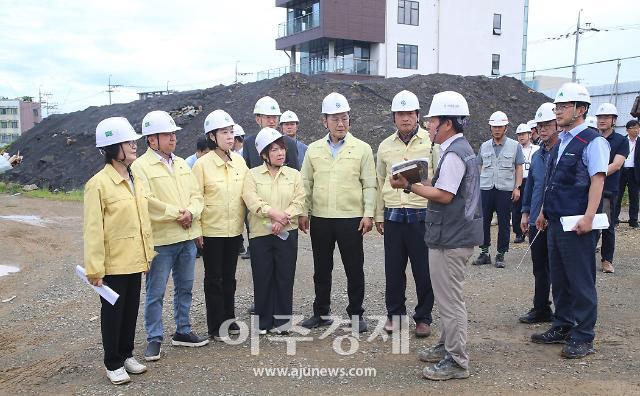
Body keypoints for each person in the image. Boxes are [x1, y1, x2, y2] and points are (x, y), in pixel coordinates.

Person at [391, 91, 482, 380]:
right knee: (446, 299)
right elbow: (444, 186)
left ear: (447, 123)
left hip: (452, 237)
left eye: (432, 121)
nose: (428, 125)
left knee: (451, 301)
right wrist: (418, 180)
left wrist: (409, 186)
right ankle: (447, 346)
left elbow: (443, 195)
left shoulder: (455, 153)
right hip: (453, 234)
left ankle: (456, 361)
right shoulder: (458, 149)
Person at [532, 82, 610, 359]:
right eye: (557, 107)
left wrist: (589, 217)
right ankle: (563, 324)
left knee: (580, 279)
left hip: (578, 223)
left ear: (581, 109)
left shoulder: (594, 141)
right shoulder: (561, 141)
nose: (558, 112)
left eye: (563, 107)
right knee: (560, 277)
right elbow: (553, 181)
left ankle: (584, 334)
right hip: (555, 221)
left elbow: (597, 180)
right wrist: (543, 211)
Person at [130, 110, 209, 363]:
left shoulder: (183, 164)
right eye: (167, 134)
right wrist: (178, 213)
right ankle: (154, 338)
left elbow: (197, 196)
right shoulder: (140, 167)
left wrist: (191, 213)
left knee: (185, 288)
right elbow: (146, 201)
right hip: (161, 241)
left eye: (174, 133)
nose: (173, 137)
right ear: (151, 139)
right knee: (156, 292)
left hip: (186, 237)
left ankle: (183, 331)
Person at [83, 117, 155, 385]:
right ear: (113, 148)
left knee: (130, 311)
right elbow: (93, 230)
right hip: (113, 263)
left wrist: (147, 254)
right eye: (128, 142)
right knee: (113, 313)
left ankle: (126, 355)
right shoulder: (98, 184)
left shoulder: (135, 178)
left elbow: (142, 219)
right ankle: (112, 362)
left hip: (135, 258)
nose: (134, 145)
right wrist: (95, 268)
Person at [299, 92, 377, 333]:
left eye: (344, 118)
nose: (340, 123)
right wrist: (303, 211)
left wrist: (369, 213)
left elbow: (370, 184)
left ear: (349, 120)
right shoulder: (313, 150)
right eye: (335, 119)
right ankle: (321, 312)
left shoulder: (362, 149)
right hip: (321, 219)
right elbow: (305, 183)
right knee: (322, 268)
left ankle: (356, 314)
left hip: (351, 219)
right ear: (325, 121)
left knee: (354, 267)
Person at [374, 90, 437, 338]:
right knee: (394, 270)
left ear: (418, 115)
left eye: (410, 113)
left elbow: (440, 179)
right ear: (394, 117)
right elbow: (379, 181)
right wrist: (379, 215)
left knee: (423, 270)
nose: (405, 118)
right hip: (393, 217)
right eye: (400, 114)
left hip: (421, 215)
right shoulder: (384, 146)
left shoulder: (431, 143)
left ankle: (423, 318)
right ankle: (395, 315)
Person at [192, 109, 249, 341]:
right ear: (212, 136)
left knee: (230, 277)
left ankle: (229, 318)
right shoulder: (202, 165)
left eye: (232, 132)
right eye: (224, 132)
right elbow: (195, 198)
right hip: (211, 232)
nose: (230, 136)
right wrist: (197, 229)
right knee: (213, 278)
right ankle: (215, 325)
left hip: (233, 230)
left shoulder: (240, 162)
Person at [242, 127, 305, 334]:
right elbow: (251, 200)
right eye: (274, 150)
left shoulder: (294, 175)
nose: (280, 153)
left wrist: (283, 217)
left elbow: (299, 200)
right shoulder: (251, 175)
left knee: (285, 276)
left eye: (282, 149)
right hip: (261, 233)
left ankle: (283, 322)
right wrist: (273, 214)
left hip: (287, 232)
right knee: (263, 276)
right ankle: (264, 322)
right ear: (264, 154)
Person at [241, 97, 300, 262]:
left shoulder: (288, 143)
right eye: (268, 117)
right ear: (258, 119)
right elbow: (247, 172)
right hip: (259, 215)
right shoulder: (249, 143)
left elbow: (296, 175)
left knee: (284, 264)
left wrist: (284, 217)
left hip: (285, 214)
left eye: (275, 117)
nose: (272, 120)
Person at [519, 103, 557, 324]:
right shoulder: (536, 156)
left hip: (555, 219)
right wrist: (526, 214)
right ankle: (541, 308)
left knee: (558, 269)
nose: (542, 130)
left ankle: (564, 314)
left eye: (547, 125)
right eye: (540, 126)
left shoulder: (562, 152)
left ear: (557, 125)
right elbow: (531, 188)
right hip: (536, 219)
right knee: (539, 267)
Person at [474, 111, 524, 268]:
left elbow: (519, 167)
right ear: (490, 127)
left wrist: (517, 187)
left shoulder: (515, 146)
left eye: (500, 127)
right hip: (486, 188)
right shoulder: (484, 146)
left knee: (503, 222)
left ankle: (501, 254)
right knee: (484, 222)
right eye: (494, 127)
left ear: (506, 128)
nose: (497, 130)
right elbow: (479, 165)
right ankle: (484, 252)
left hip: (505, 189)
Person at [594, 103, 628, 273]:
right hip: (588, 189)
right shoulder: (592, 137)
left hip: (608, 189)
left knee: (607, 225)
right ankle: (585, 254)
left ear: (614, 120)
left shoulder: (621, 141)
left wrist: (595, 173)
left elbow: (616, 165)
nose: (602, 120)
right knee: (589, 222)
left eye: (606, 117)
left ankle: (607, 260)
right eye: (600, 117)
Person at [512, 123, 539, 243]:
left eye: (523, 134)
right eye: (519, 135)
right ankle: (519, 233)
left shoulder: (537, 149)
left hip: (532, 179)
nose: (521, 137)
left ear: (530, 135)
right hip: (519, 181)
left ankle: (533, 228)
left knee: (532, 205)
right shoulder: (514, 149)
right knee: (517, 207)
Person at [615, 119, 640, 228]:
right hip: (621, 171)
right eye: (633, 128)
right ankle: (614, 219)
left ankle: (633, 220)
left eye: (638, 128)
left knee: (634, 197)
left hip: (634, 172)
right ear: (627, 129)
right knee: (618, 196)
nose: (636, 130)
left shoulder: (639, 142)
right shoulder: (622, 140)